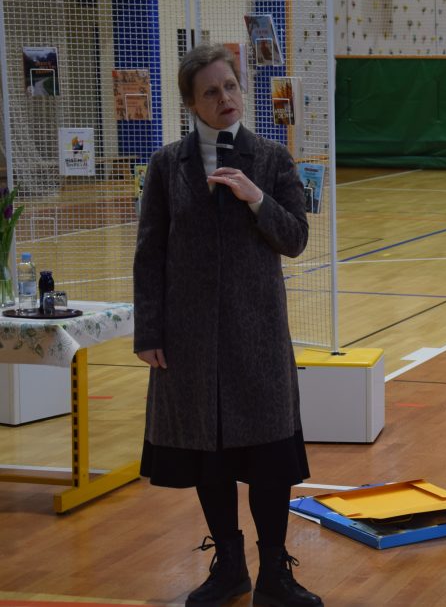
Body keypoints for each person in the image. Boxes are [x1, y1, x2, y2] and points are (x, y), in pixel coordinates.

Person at [133, 42, 321, 607]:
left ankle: (275, 575)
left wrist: (255, 197)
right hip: (189, 343)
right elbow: (149, 253)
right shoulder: (169, 165)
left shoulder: (271, 160)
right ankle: (230, 567)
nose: (226, 99)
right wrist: (150, 333)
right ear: (192, 103)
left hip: (257, 336)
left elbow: (295, 238)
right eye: (211, 92)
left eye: (231, 87)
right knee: (205, 455)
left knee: (268, 460)